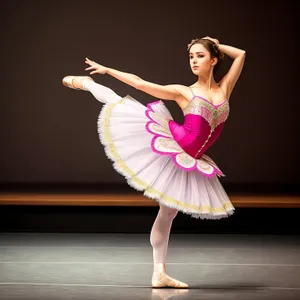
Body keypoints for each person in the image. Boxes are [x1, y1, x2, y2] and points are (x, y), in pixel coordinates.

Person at [62, 36, 246, 288]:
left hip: (190, 159)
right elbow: (140, 84)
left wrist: (214, 42)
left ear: (213, 60)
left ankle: (159, 273)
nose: (194, 60)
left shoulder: (224, 89)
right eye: (191, 56)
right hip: (174, 146)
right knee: (120, 103)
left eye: (200, 56)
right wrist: (107, 70)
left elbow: (241, 54)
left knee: (168, 212)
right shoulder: (185, 92)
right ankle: (90, 84)